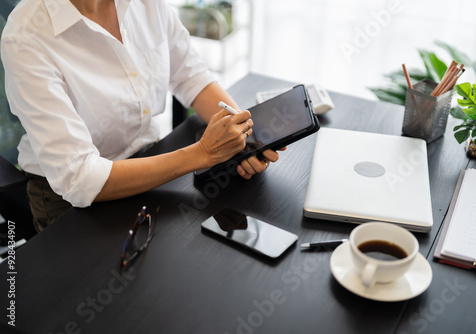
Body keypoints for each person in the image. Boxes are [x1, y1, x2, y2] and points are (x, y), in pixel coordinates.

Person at [1, 0, 283, 231]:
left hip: (150, 159)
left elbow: (192, 76)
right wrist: (204, 153)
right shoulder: (26, 37)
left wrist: (243, 133)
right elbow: (80, 178)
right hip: (70, 200)